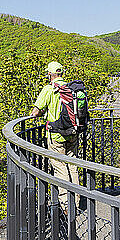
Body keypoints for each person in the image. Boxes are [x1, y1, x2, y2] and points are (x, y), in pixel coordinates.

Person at [30, 61, 80, 207]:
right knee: (72, 165)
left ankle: (66, 204)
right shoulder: (70, 88)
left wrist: (42, 113)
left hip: (56, 135)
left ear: (50, 74)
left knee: (60, 167)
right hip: (72, 133)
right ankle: (76, 200)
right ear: (61, 73)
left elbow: (35, 112)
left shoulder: (49, 89)